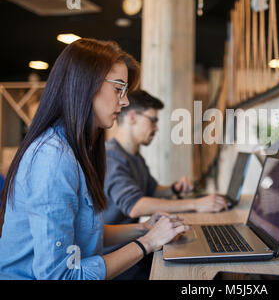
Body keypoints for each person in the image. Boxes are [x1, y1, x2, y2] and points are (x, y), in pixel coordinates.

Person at [0, 38, 190, 280]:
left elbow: (83, 233)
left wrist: (145, 228)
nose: (125, 100)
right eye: (118, 88)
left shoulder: (76, 149)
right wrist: (148, 242)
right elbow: (60, 277)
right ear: (85, 86)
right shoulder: (53, 159)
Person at [104, 89, 228, 234]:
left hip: (133, 241)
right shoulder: (111, 157)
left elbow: (152, 191)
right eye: (153, 120)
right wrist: (196, 204)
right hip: (116, 250)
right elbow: (135, 206)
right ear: (132, 117)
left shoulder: (134, 156)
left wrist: (173, 188)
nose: (156, 128)